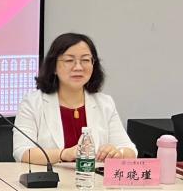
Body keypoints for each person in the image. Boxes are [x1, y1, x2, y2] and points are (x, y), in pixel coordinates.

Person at [14, 33, 137, 164]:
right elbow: (22, 152)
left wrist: (118, 153)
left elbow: (130, 150)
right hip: (52, 177)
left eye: (85, 60)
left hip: (94, 177)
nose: (78, 67)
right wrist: (63, 154)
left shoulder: (105, 103)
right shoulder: (32, 103)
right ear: (53, 67)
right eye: (69, 60)